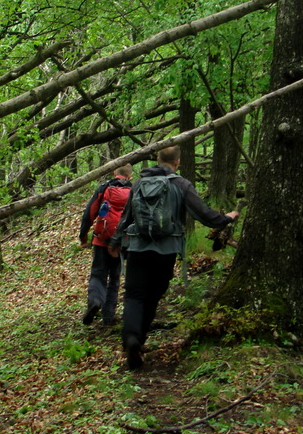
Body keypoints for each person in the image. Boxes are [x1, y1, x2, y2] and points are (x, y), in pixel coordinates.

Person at [108, 146, 239, 370]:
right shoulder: (181, 184)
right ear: (177, 163)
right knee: (152, 296)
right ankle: (138, 341)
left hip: (138, 248)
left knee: (134, 295)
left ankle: (130, 338)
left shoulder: (138, 183)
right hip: (166, 251)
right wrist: (225, 219)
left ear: (157, 159)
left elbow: (126, 216)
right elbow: (202, 213)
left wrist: (115, 242)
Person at [79, 164, 133, 325]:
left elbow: (90, 212)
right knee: (115, 278)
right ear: (130, 176)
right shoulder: (134, 190)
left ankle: (95, 301)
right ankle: (108, 316)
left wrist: (83, 236)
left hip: (102, 238)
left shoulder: (104, 188)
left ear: (114, 172)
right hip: (122, 241)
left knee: (98, 274)